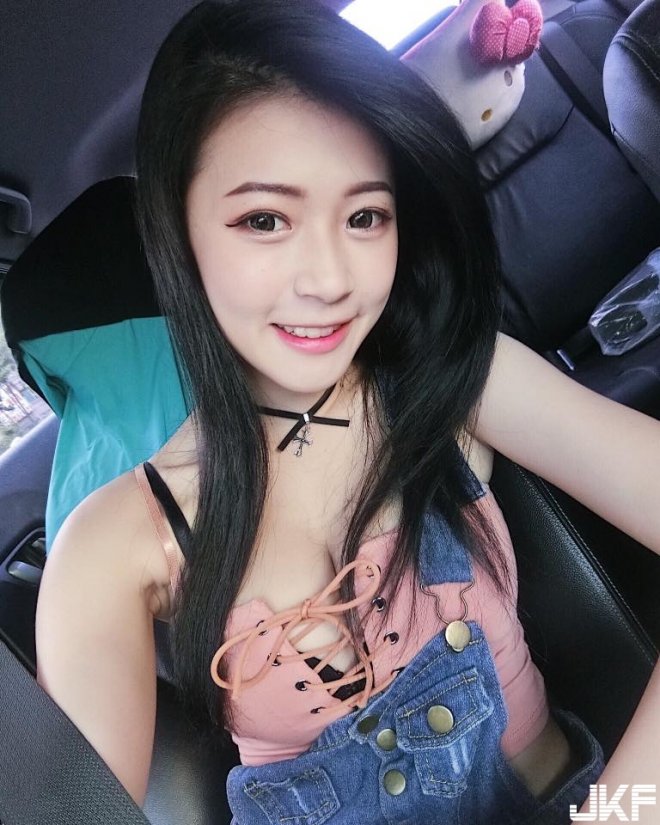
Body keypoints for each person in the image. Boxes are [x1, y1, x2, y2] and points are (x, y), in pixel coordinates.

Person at [35, 1, 660, 822]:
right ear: (180, 237)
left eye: (365, 215)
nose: (329, 278)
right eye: (265, 219)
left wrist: (620, 814)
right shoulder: (114, 544)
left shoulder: (454, 375)